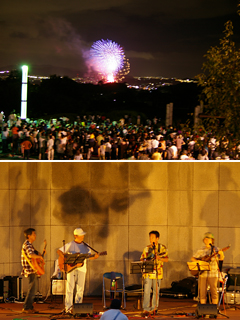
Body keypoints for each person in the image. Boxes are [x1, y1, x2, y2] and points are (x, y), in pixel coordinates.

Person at [57, 228, 99, 314]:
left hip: (82, 269)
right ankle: (68, 308)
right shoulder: (70, 244)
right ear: (75, 236)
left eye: (83, 235)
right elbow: (59, 251)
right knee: (70, 288)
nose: (83, 236)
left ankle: (78, 307)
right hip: (71, 269)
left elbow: (89, 256)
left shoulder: (86, 245)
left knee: (80, 289)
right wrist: (65, 258)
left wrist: (94, 257)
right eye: (81, 235)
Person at [191, 232, 224, 304]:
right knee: (202, 292)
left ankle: (215, 308)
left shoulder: (216, 249)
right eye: (205, 239)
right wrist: (200, 261)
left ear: (212, 240)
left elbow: (221, 259)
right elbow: (192, 258)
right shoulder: (201, 249)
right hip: (203, 273)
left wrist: (221, 254)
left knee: (214, 291)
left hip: (213, 273)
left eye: (208, 239)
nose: (206, 240)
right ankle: (203, 308)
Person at [140, 230, 168, 315]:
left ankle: (154, 308)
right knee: (147, 291)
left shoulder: (162, 247)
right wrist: (145, 260)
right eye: (150, 237)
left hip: (157, 273)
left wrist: (159, 258)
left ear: (157, 238)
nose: (150, 239)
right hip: (148, 272)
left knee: (156, 292)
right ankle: (146, 308)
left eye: (152, 237)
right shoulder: (146, 248)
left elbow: (166, 259)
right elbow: (142, 259)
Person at [21, 228, 46, 314]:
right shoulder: (27, 244)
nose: (35, 236)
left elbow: (35, 254)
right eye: (34, 234)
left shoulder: (30, 245)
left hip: (32, 269)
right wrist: (40, 257)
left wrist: (40, 254)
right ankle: (26, 308)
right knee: (32, 289)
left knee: (33, 289)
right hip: (30, 269)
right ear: (29, 236)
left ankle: (30, 307)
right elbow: (31, 255)